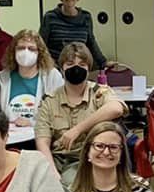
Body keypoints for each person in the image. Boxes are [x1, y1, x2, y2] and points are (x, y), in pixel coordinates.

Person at [35, 41, 125, 171]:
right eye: (70, 64)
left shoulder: (99, 92)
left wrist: (77, 130)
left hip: (94, 159)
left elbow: (116, 109)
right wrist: (52, 175)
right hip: (60, 160)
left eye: (82, 65)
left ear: (88, 70)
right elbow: (42, 143)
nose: (76, 68)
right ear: (61, 69)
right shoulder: (50, 100)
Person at [0, 29, 63, 124]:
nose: (25, 52)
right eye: (21, 48)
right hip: (10, 135)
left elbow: (60, 113)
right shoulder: (2, 78)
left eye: (31, 49)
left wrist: (32, 123)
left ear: (39, 53)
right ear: (13, 51)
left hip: (41, 135)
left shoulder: (52, 77)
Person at [40, 0, 107, 71]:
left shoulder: (86, 17)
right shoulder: (50, 17)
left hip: (79, 68)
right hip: (55, 69)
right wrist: (50, 63)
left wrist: (104, 62)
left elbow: (91, 43)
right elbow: (41, 45)